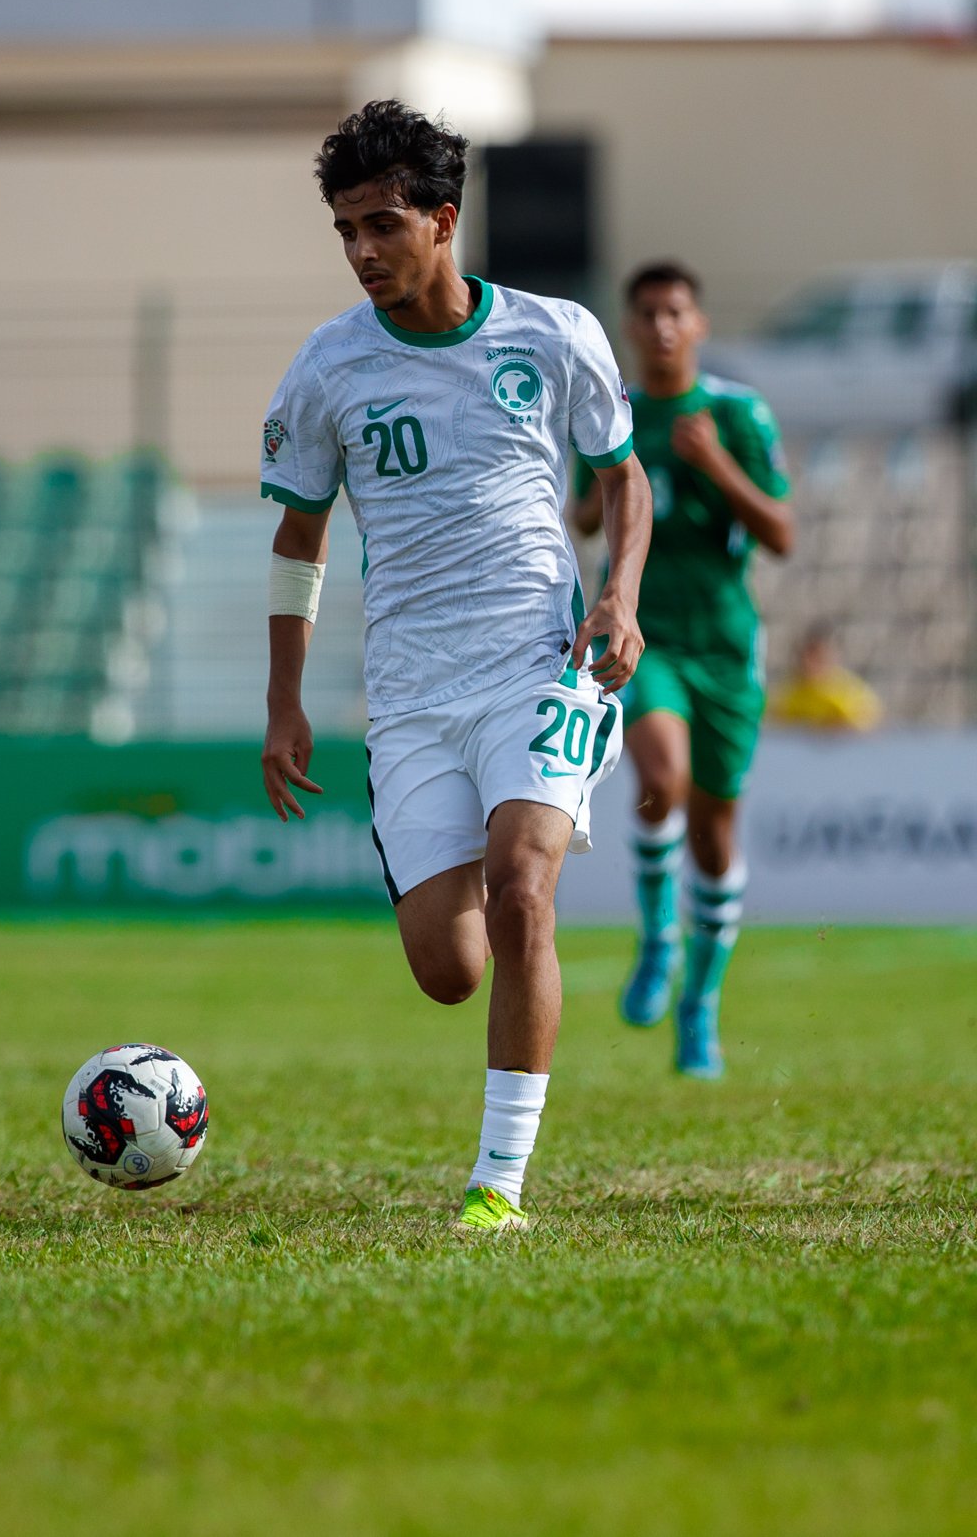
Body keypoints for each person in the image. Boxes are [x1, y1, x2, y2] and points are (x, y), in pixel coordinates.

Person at [258, 101, 651, 1233]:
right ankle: (485, 871)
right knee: (448, 968)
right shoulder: (328, 366)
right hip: (413, 697)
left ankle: (496, 1185)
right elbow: (298, 541)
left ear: (442, 219)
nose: (361, 250)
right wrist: (283, 701)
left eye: (381, 223)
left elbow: (622, 477)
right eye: (343, 230)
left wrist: (617, 593)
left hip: (540, 662)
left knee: (524, 892)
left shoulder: (552, 333)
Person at [572, 262, 793, 1078]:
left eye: (677, 312)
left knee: (714, 832)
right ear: (630, 327)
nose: (663, 326)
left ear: (698, 324)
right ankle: (659, 939)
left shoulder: (736, 414)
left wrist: (714, 465)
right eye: (649, 313)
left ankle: (700, 1004)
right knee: (659, 771)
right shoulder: (614, 410)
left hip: (726, 647)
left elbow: (781, 535)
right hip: (644, 632)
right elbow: (585, 515)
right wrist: (598, 494)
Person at [772, 622, 880, 732]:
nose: (810, 662)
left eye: (819, 656)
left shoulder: (851, 694)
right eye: (809, 655)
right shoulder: (789, 692)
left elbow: (867, 727)